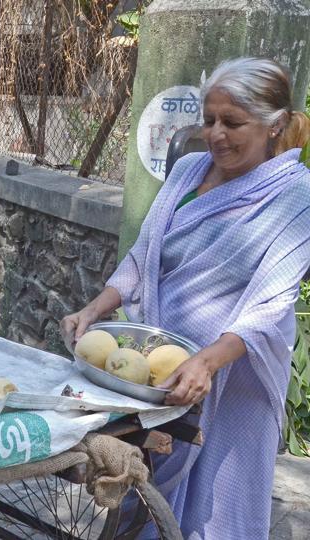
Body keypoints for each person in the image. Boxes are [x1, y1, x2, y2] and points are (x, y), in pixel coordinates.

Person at [61, 57, 310, 538]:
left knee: (220, 504)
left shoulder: (296, 197)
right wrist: (94, 309)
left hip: (236, 374)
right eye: (210, 119)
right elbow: (143, 258)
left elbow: (269, 304)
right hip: (161, 366)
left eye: (232, 123)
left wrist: (207, 363)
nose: (216, 134)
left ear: (275, 125)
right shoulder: (189, 170)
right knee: (148, 491)